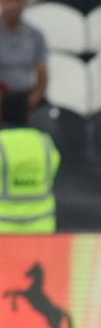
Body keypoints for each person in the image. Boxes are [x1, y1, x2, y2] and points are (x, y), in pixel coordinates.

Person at [0, 87, 61, 234]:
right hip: (42, 227)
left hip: (4, 229)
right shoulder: (44, 142)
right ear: (29, 114)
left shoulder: (2, 143)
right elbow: (52, 171)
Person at [0, 0, 47, 120]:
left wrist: (33, 100)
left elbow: (43, 74)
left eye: (18, 0)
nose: (14, 5)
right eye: (9, 0)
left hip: (27, 97)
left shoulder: (35, 35)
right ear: (1, 1)